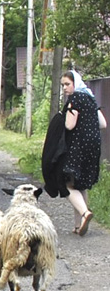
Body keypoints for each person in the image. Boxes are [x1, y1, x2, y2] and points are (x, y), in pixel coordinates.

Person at [60, 70, 106, 236]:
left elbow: (69, 125)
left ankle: (85, 213)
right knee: (81, 185)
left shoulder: (75, 99)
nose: (65, 88)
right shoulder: (90, 98)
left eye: (67, 84)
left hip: (78, 146)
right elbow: (103, 123)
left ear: (75, 84)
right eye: (63, 85)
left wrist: (63, 118)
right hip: (94, 146)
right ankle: (79, 226)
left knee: (66, 185)